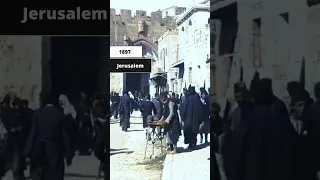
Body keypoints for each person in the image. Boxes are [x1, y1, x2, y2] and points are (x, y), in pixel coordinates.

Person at [24, 93, 74, 180]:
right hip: (55, 149)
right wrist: (69, 154)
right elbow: (65, 136)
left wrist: (27, 152)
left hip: (40, 148)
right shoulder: (59, 115)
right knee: (55, 174)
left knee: (40, 174)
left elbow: (33, 133)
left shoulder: (38, 114)